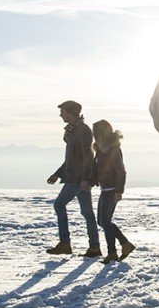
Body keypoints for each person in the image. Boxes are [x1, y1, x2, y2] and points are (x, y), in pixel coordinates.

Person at [46, 100, 101, 257]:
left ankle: (65, 244)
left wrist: (85, 179)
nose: (60, 114)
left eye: (62, 111)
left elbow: (88, 156)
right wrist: (57, 173)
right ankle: (94, 247)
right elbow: (72, 158)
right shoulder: (73, 131)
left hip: (77, 179)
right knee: (87, 213)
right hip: (76, 178)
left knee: (58, 205)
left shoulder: (82, 131)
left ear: (70, 112)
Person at [86, 119, 135, 263]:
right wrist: (90, 182)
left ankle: (115, 251)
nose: (94, 134)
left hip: (112, 189)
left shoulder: (113, 149)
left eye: (96, 131)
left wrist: (119, 190)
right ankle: (124, 245)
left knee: (105, 221)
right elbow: (96, 170)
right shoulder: (99, 150)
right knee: (102, 222)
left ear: (102, 132)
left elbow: (121, 171)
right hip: (105, 189)